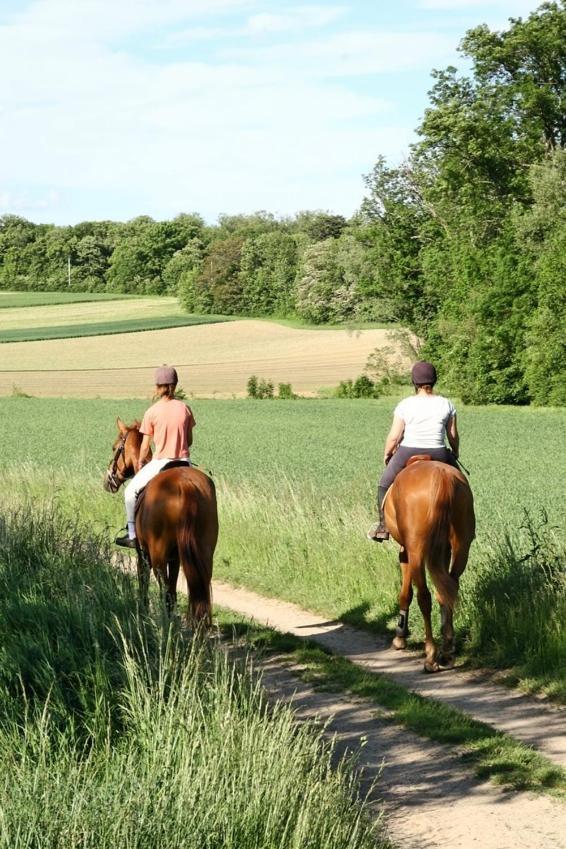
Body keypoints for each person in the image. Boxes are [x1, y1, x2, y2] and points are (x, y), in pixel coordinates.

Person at [367, 361, 459, 542]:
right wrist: (455, 452)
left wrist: (387, 454)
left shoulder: (405, 404)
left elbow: (394, 437)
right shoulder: (446, 404)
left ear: (414, 382)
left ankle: (383, 526)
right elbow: (453, 435)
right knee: (461, 483)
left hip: (408, 451)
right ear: (434, 381)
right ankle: (464, 524)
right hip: (439, 452)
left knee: (384, 483)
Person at [115, 365, 195, 549]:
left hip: (161, 462)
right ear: (175, 385)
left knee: (129, 493)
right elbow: (189, 441)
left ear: (158, 387)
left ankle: (133, 535)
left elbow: (144, 447)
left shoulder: (151, 412)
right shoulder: (185, 409)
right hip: (184, 463)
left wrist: (142, 461)